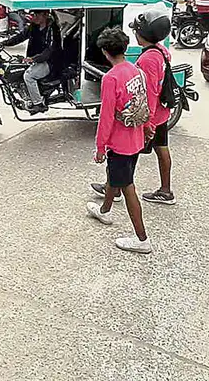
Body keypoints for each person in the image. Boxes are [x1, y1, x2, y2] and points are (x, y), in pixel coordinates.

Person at [86, 27, 152, 254]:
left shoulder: (110, 78)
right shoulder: (136, 71)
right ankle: (104, 211)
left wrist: (100, 147)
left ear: (105, 52)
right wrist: (147, 126)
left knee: (127, 186)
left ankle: (142, 239)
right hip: (135, 139)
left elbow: (106, 116)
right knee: (115, 175)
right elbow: (143, 102)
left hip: (119, 143)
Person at [1, 9, 62, 114]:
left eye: (37, 15)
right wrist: (4, 43)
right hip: (34, 60)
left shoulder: (53, 29)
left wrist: (34, 59)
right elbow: (20, 37)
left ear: (45, 15)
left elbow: (50, 51)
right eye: (34, 15)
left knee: (29, 76)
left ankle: (38, 104)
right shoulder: (33, 26)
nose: (34, 17)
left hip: (49, 62)